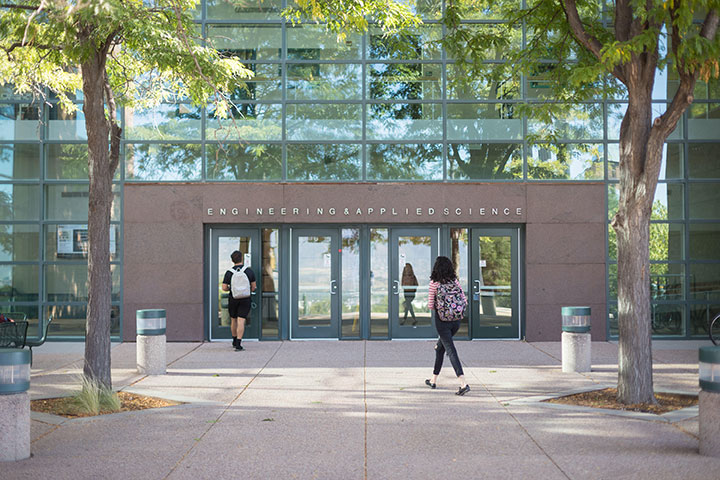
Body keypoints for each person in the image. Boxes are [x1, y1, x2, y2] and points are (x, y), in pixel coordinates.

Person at [425, 256, 470, 396]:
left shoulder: (434, 283)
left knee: (450, 350)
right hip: (456, 321)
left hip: (442, 321)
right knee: (440, 348)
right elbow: (464, 300)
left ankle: (463, 383)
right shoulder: (455, 281)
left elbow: (431, 305)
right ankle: (433, 380)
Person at [221, 250, 257, 351]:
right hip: (245, 299)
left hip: (233, 298)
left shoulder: (229, 272)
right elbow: (253, 287)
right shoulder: (249, 271)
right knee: (241, 320)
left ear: (232, 260)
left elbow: (224, 287)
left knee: (234, 320)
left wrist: (232, 289)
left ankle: (233, 340)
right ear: (242, 258)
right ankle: (238, 343)